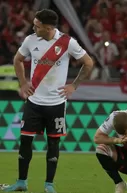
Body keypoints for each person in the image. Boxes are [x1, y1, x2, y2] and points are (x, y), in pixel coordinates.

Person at [3, 9, 94, 193]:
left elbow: (89, 62)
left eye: (37, 26)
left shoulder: (67, 43)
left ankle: (49, 185)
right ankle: (21, 182)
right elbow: (18, 59)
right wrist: (22, 83)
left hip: (56, 104)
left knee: (53, 144)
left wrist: (73, 86)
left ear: (49, 27)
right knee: (25, 141)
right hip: (34, 102)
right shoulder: (30, 40)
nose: (33, 28)